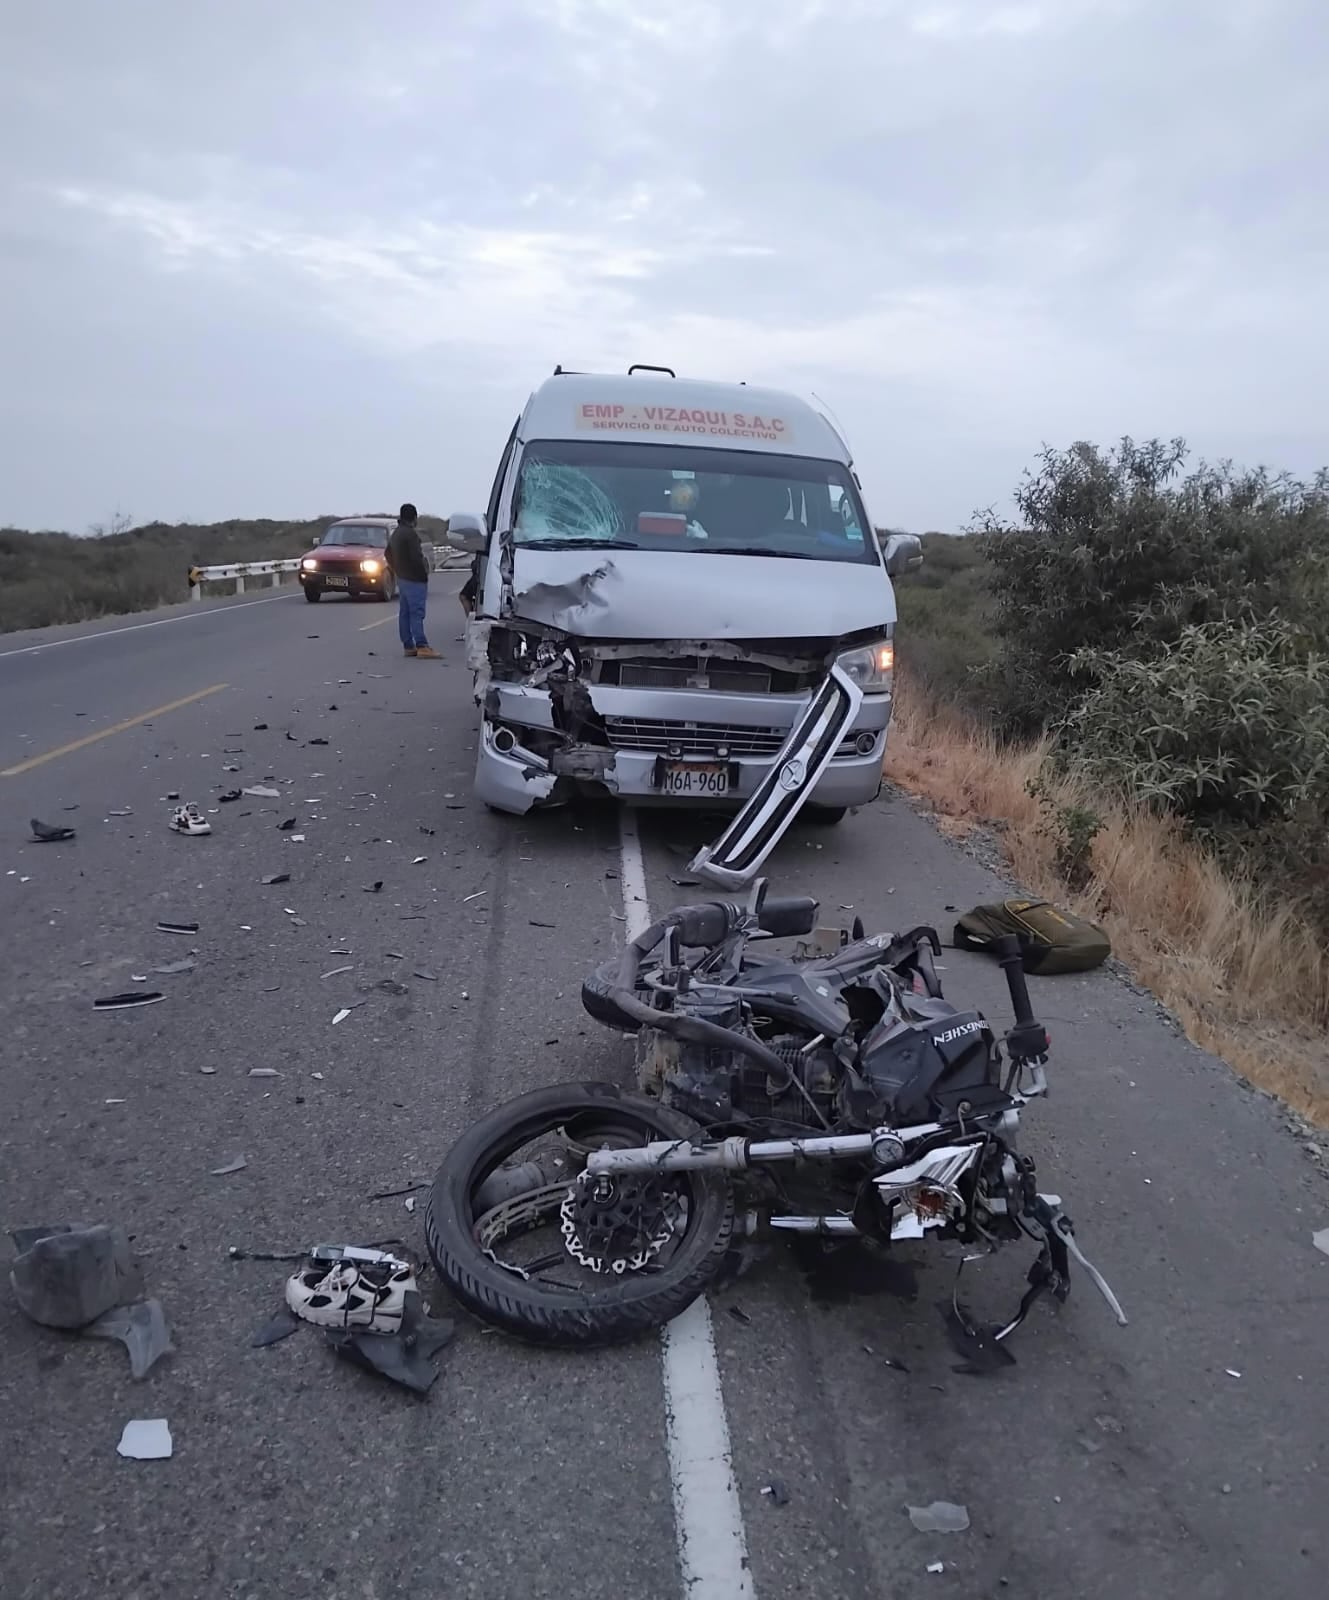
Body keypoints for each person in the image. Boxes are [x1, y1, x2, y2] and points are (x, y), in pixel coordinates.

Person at [385, 502, 439, 659]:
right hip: (414, 579)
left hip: (402, 578)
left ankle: (408, 646)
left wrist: (396, 570)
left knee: (405, 613)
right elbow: (417, 558)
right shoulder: (410, 534)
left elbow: (387, 553)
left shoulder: (396, 533)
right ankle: (422, 646)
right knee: (417, 613)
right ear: (414, 518)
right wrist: (423, 574)